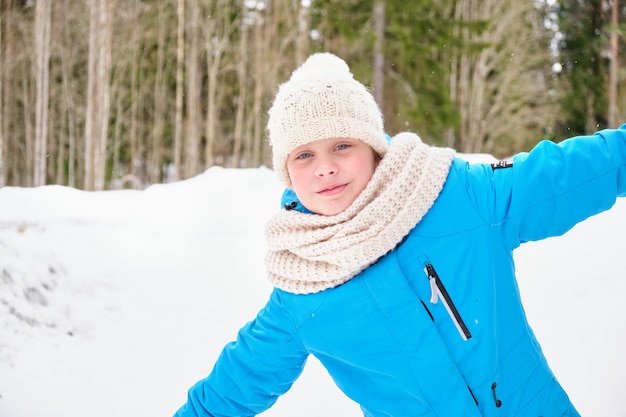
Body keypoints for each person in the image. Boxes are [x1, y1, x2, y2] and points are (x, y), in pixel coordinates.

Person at [173, 52, 626, 416]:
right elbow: (229, 392)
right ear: (287, 174)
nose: (326, 167)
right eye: (304, 156)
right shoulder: (303, 287)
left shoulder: (454, 195)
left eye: (342, 145)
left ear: (373, 148)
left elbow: (573, 173)